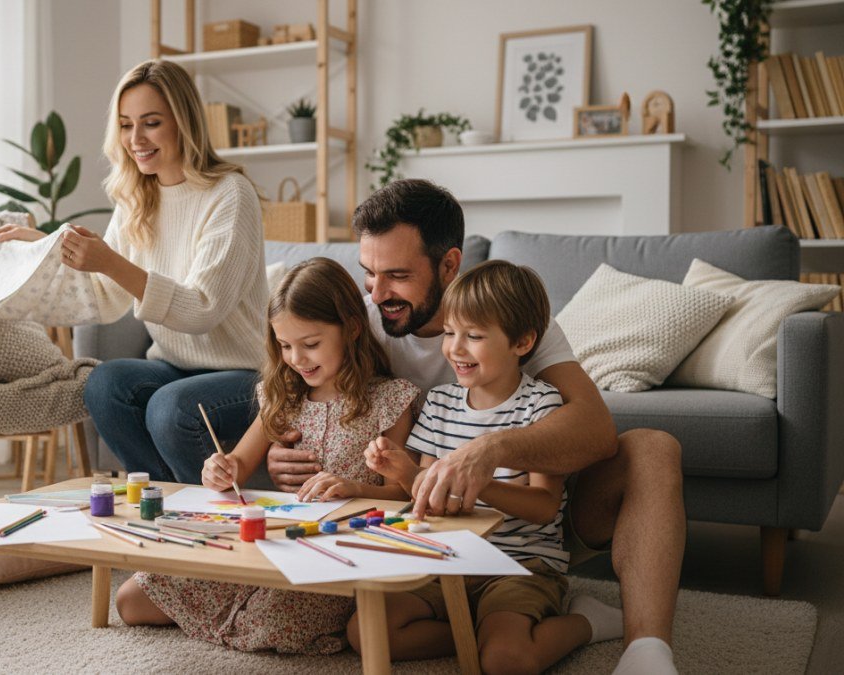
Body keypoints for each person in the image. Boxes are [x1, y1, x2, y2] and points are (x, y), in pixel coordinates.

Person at [265, 180, 683, 674]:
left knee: (653, 447)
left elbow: (595, 431)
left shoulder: (507, 312)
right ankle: (483, 628)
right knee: (381, 630)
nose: (377, 294)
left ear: (448, 264)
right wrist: (284, 449)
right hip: (440, 527)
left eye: (397, 275)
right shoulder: (363, 321)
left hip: (534, 520)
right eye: (368, 274)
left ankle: (647, 649)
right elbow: (311, 395)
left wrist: (488, 451)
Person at [115, 257, 420, 654]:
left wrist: (353, 488)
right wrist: (219, 469)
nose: (297, 358)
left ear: (352, 328)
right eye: (285, 345)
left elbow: (403, 496)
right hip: (271, 542)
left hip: (336, 549)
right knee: (130, 599)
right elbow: (239, 463)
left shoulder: (390, 399)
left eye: (310, 344)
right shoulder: (283, 397)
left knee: (270, 623)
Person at [0, 59, 267, 484]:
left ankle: (199, 509)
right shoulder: (137, 197)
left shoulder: (230, 194)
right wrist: (45, 245)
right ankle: (170, 500)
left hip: (243, 373)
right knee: (104, 383)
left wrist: (110, 260)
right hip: (174, 364)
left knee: (170, 407)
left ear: (184, 123)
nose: (135, 139)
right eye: (125, 125)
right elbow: (105, 295)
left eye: (151, 123)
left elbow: (201, 310)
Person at [362, 260, 623, 669]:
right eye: (450, 333)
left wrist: (477, 480)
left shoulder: (542, 406)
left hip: (519, 562)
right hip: (447, 557)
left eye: (475, 336)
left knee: (505, 662)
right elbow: (427, 496)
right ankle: (478, 629)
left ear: (522, 342)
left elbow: (543, 507)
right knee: (367, 631)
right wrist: (404, 473)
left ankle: (586, 622)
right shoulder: (439, 402)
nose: (455, 348)